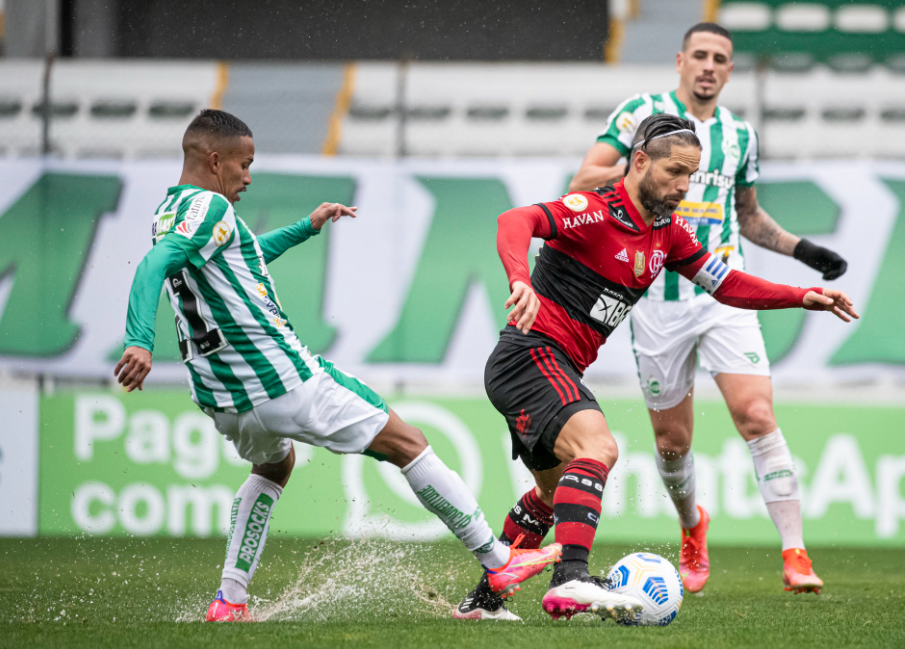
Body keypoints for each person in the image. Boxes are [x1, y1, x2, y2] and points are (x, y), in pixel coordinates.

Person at [114, 109, 561, 623]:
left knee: (273, 465)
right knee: (408, 443)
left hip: (222, 396)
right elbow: (154, 266)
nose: (248, 176)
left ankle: (229, 602)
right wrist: (139, 341)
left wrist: (306, 227)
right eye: (244, 163)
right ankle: (498, 560)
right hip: (278, 375)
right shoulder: (211, 206)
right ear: (215, 160)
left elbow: (242, 258)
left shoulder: (168, 211)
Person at [454, 113, 858, 622]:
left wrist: (801, 295)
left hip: (547, 366)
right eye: (674, 173)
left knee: (554, 495)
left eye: (691, 176)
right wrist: (520, 279)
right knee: (598, 447)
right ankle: (572, 579)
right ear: (640, 161)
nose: (684, 187)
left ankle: (485, 601)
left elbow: (726, 283)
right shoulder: (595, 210)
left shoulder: (668, 234)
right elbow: (515, 220)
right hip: (530, 355)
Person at [568, 22, 847, 596]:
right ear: (680, 60)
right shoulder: (640, 113)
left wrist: (804, 251)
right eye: (700, 55)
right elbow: (584, 178)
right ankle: (692, 524)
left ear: (729, 69)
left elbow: (746, 216)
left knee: (757, 415)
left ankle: (795, 553)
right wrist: (645, 168)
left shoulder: (740, 135)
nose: (709, 66)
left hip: (722, 294)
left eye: (720, 58)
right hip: (654, 302)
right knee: (673, 443)